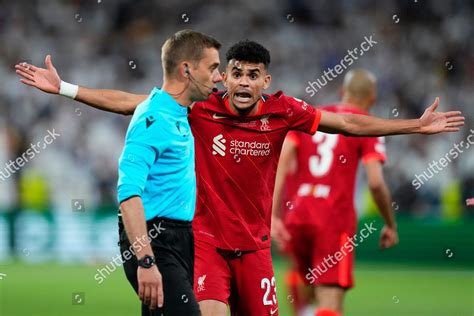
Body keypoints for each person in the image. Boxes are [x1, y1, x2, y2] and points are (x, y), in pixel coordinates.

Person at [15, 39, 464, 316]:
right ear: (223, 77)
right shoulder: (199, 108)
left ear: (266, 80)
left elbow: (347, 124)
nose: (244, 82)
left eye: (254, 75)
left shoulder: (284, 111)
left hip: (255, 247)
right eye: (236, 73)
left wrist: (412, 126)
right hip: (205, 244)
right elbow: (133, 101)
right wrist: (67, 89)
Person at [271, 69, 398, 316]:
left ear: (342, 92)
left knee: (307, 292)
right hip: (332, 218)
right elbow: (375, 182)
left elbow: (282, 161)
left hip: (298, 216)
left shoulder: (313, 116)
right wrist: (389, 223)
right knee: (330, 300)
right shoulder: (368, 125)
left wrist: (273, 215)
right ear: (372, 99)